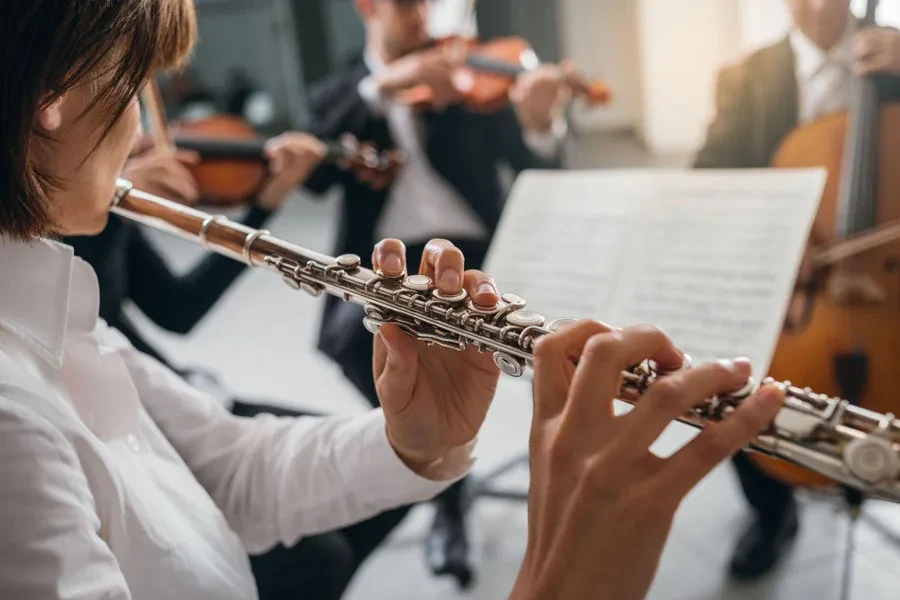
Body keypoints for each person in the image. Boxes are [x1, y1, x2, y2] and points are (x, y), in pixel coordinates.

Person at [0, 1, 787, 598]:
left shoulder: (59, 313)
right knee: (353, 343)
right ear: (56, 96)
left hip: (470, 243)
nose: (145, 131)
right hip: (379, 249)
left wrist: (418, 443)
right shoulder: (13, 422)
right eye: (139, 84)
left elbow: (234, 473)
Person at [66, 134, 414, 600]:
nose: (135, 132)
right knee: (319, 560)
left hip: (177, 394)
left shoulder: (92, 189)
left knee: (389, 489)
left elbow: (178, 308)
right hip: (118, 425)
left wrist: (265, 205)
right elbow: (78, 321)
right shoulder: (62, 212)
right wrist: (105, 212)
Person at [302, 0, 570, 584]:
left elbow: (531, 161)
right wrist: (381, 90)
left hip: (481, 245)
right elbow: (316, 173)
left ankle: (563, 494)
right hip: (388, 257)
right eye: (405, 3)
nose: (423, 14)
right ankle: (443, 482)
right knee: (350, 343)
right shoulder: (342, 91)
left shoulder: (464, 75)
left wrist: (539, 123)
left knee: (546, 342)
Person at [694, 0, 900, 580]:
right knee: (735, 381)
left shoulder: (895, 53)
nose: (816, 6)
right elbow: (710, 175)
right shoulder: (745, 76)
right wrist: (773, 227)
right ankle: (772, 511)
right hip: (790, 285)